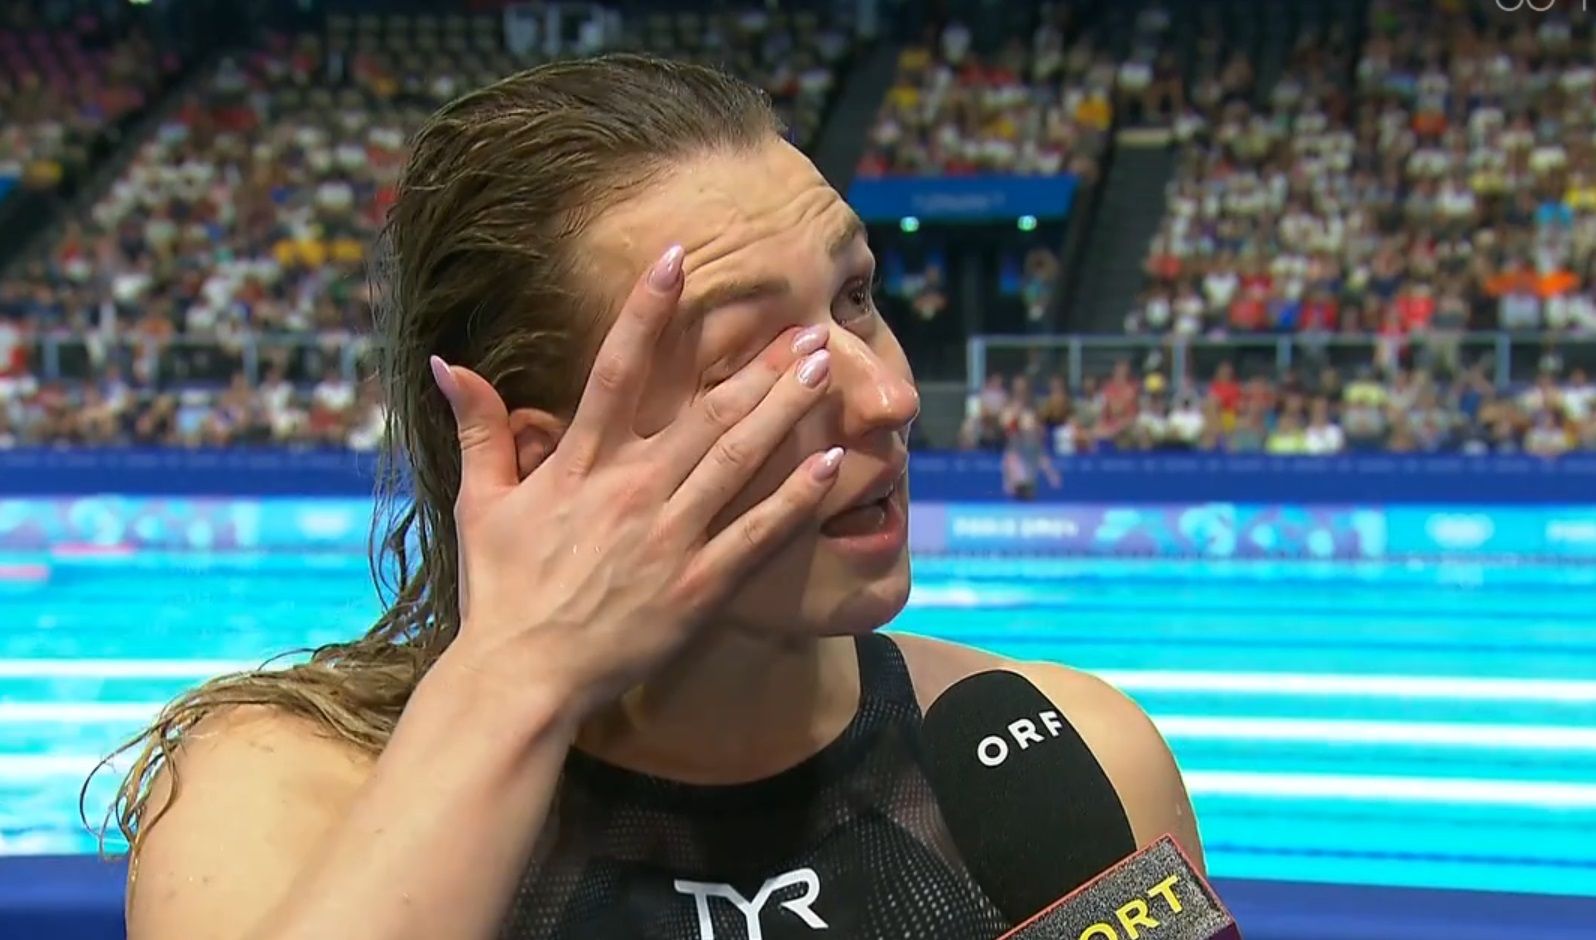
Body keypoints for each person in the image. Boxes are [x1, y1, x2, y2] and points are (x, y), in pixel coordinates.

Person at [112, 55, 1201, 940]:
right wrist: (518, 681)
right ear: (537, 462)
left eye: (858, 298)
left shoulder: (1071, 761)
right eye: (756, 358)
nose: (892, 394)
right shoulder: (286, 799)